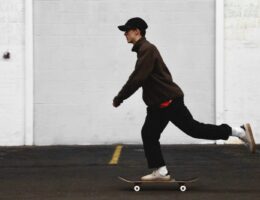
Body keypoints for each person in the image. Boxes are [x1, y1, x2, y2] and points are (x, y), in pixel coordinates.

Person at [112, 17, 256, 181]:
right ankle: (161, 171)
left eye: (127, 30)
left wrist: (120, 97)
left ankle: (238, 131)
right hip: (158, 105)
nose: (124, 34)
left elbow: (137, 79)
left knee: (195, 130)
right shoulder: (143, 50)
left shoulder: (147, 49)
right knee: (149, 134)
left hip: (168, 102)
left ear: (137, 31)